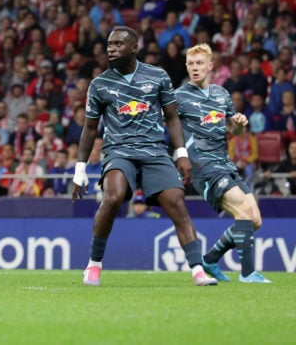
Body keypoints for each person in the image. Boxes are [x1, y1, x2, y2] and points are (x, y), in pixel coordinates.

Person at [71, 26, 217, 287]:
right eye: (109, 44)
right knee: (113, 196)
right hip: (118, 151)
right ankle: (94, 264)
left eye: (118, 44)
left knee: (176, 202)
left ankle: (197, 270)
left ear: (134, 48)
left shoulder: (158, 76)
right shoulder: (100, 84)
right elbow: (90, 128)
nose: (111, 49)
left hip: (154, 151)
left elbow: (172, 117)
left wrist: (181, 153)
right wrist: (79, 170)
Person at [175, 44, 271, 283]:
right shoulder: (179, 97)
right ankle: (247, 273)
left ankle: (210, 258)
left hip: (225, 163)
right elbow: (166, 125)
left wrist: (238, 122)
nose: (195, 68)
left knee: (255, 220)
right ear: (187, 67)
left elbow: (233, 129)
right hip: (202, 166)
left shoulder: (221, 94)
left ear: (210, 66)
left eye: (199, 63)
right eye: (191, 64)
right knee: (243, 211)